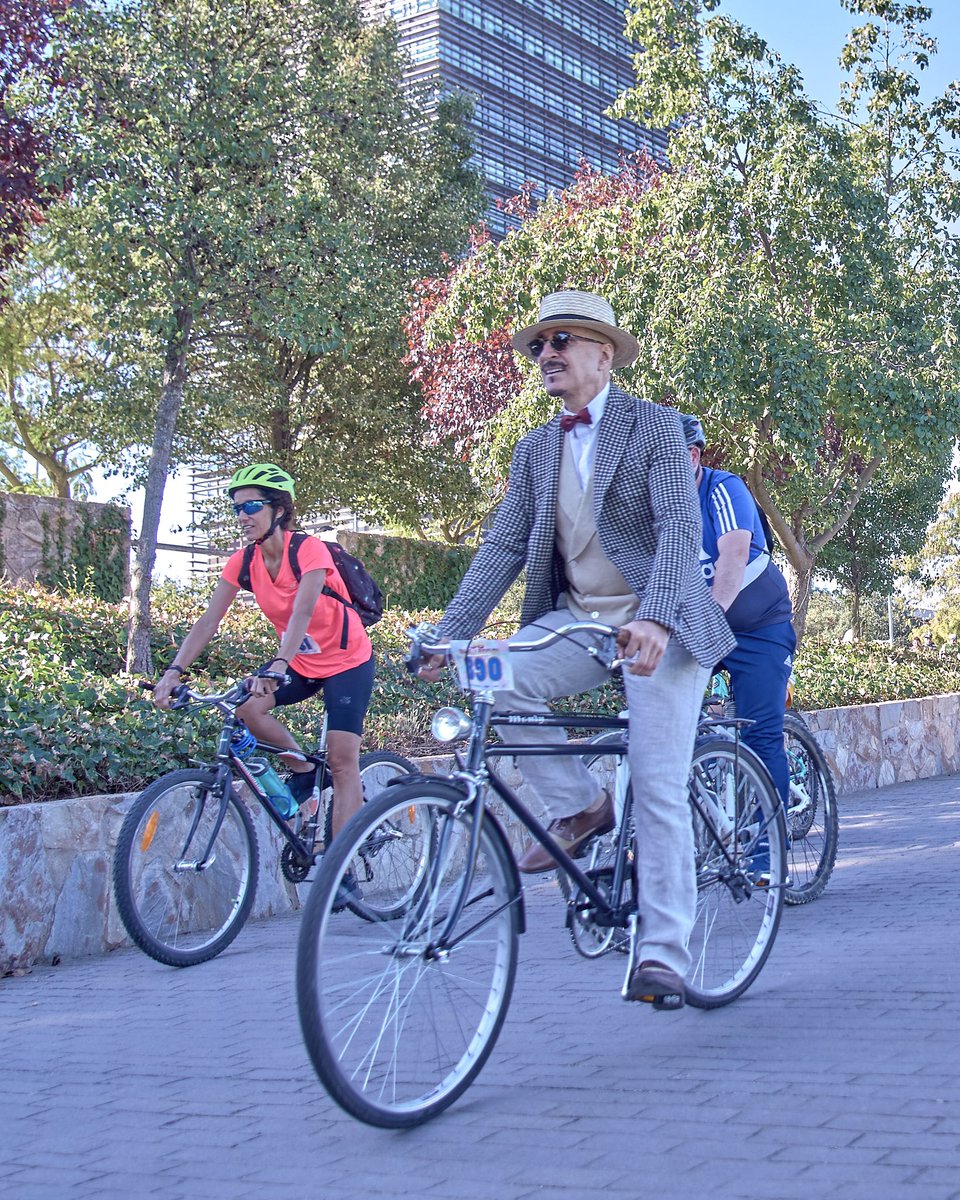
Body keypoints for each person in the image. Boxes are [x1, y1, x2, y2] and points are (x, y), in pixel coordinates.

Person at [420, 289, 735, 1008]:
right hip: (576, 620)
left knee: (657, 787)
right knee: (491, 682)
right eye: (539, 345)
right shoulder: (535, 449)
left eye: (562, 340)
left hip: (663, 623)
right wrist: (449, 634)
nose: (547, 354)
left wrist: (654, 620)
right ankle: (585, 806)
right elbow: (503, 545)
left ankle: (662, 954)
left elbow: (680, 531)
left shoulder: (653, 427)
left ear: (603, 353)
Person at [152, 464, 375, 842]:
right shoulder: (243, 562)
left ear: (280, 510)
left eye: (252, 506)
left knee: (342, 760)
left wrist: (277, 664)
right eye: (237, 508)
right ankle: (304, 770)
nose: (243, 516)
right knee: (247, 709)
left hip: (347, 661)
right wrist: (174, 670)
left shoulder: (309, 550)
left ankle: (343, 870)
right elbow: (209, 620)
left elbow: (302, 611)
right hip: (300, 662)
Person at [680, 415, 796, 834]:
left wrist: (702, 626)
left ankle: (769, 853)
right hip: (701, 628)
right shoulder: (660, 505)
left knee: (761, 737)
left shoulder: (722, 488)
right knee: (668, 726)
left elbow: (731, 560)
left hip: (758, 628)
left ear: (692, 456)